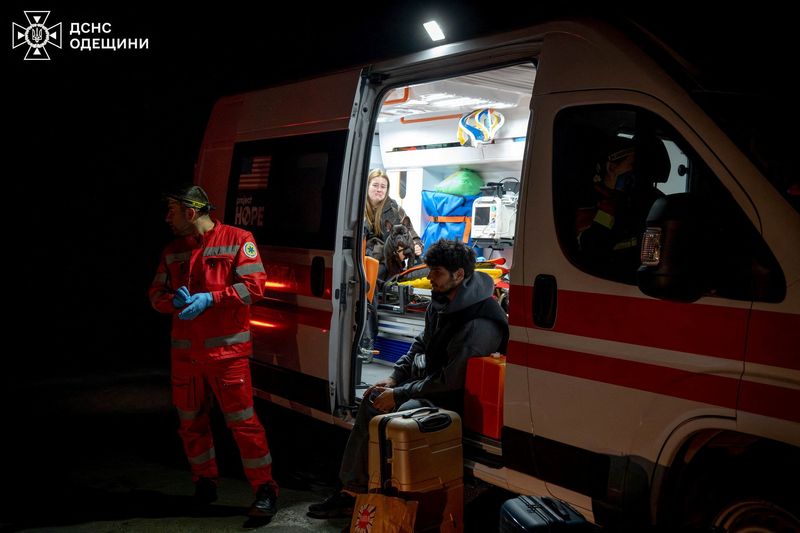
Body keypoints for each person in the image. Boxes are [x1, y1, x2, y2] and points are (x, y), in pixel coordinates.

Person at [307, 239, 509, 519]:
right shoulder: (441, 303)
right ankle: (353, 490)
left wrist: (400, 395)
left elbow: (452, 381)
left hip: (456, 400)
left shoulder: (479, 321)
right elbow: (419, 345)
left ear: (459, 275)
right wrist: (393, 378)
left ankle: (391, 498)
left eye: (435, 272)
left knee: (395, 415)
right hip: (432, 387)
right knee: (374, 399)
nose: (428, 277)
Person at [148, 185, 278, 522]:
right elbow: (156, 294)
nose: (167, 218)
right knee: (191, 425)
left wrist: (213, 298)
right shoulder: (173, 250)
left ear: (191, 213)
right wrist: (170, 301)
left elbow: (255, 286)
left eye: (172, 211)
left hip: (227, 357)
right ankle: (204, 483)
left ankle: (265, 490)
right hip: (185, 359)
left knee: (244, 426)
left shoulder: (238, 239)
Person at [575, 136, 665, 278]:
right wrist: (609, 211)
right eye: (632, 166)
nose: (635, 173)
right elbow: (591, 250)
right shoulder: (588, 201)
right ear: (611, 167)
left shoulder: (637, 201)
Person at [364, 168, 423, 262]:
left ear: (387, 190)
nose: (379, 189)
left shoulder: (395, 209)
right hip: (365, 261)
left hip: (392, 263)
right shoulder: (356, 209)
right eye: (375, 185)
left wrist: (417, 245)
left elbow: (411, 234)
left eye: (383, 186)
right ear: (367, 186)